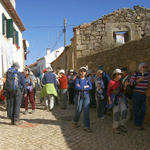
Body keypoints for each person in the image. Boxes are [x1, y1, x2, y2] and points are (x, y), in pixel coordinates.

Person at [130, 62, 150, 130]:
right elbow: (131, 84)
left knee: (143, 110)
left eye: (146, 67)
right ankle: (137, 124)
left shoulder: (147, 74)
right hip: (136, 94)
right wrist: (138, 80)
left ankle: (140, 123)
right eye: (143, 67)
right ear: (140, 68)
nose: (145, 68)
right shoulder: (135, 74)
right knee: (136, 110)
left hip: (143, 94)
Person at [107, 69, 128, 134]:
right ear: (115, 75)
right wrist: (109, 100)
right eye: (118, 74)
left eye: (120, 74)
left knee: (124, 111)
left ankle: (122, 125)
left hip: (121, 98)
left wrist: (125, 87)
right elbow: (108, 92)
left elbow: (122, 91)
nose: (120, 75)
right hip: (114, 99)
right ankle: (115, 127)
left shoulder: (120, 82)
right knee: (116, 113)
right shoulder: (111, 82)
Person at [72, 66, 92, 132]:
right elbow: (76, 87)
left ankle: (86, 126)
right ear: (79, 72)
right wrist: (86, 87)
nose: (83, 72)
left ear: (86, 72)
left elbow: (91, 87)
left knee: (86, 111)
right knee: (79, 110)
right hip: (79, 96)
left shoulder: (87, 79)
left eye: (84, 71)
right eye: (81, 71)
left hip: (86, 96)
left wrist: (82, 87)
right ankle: (75, 121)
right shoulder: (77, 79)